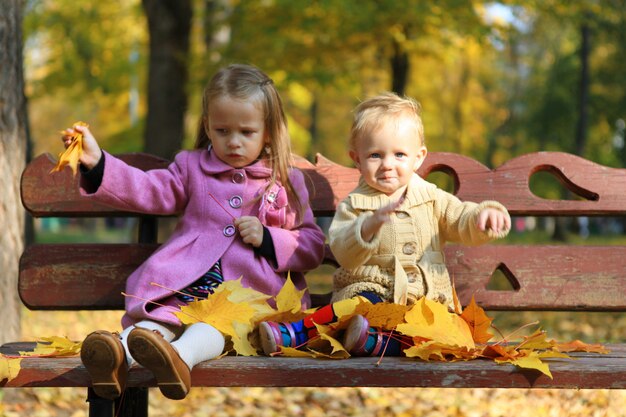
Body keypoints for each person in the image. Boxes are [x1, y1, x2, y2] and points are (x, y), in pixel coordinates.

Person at [62, 64, 326, 400]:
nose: (233, 142)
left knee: (213, 327)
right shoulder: (191, 168)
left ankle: (179, 360)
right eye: (222, 131)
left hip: (248, 300)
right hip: (184, 291)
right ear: (207, 127)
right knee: (152, 328)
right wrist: (98, 162)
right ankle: (114, 359)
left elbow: (312, 244)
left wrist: (270, 238)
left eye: (246, 132)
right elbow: (148, 189)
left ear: (269, 132)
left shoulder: (286, 180)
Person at [259, 92, 510, 356]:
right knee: (351, 308)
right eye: (375, 155)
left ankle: (370, 342)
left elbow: (460, 218)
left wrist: (484, 216)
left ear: (419, 156)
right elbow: (343, 250)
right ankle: (294, 334)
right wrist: (366, 228)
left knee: (445, 334)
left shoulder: (432, 198)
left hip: (426, 303)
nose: (388, 165)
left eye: (400, 154)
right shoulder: (355, 204)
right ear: (357, 158)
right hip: (371, 291)